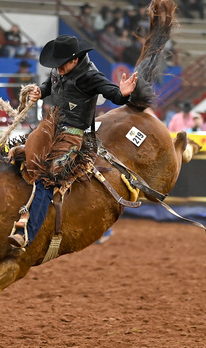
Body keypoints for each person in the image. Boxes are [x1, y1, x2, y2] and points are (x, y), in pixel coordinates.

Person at [7, 34, 137, 248]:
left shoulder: (90, 76)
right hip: (49, 128)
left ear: (74, 60)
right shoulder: (58, 69)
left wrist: (122, 95)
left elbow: (112, 93)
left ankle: (26, 235)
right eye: (55, 66)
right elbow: (50, 84)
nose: (57, 69)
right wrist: (40, 91)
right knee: (13, 156)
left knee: (48, 178)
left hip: (73, 135)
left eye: (61, 65)